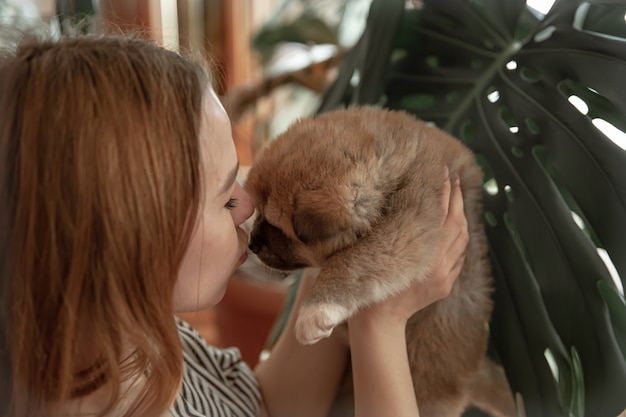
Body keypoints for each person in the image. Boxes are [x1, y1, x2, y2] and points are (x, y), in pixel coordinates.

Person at [0, 34, 469, 417]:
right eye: (225, 195)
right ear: (135, 237)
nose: (246, 206)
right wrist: (381, 324)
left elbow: (262, 407)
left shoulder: (129, 337)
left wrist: (337, 258)